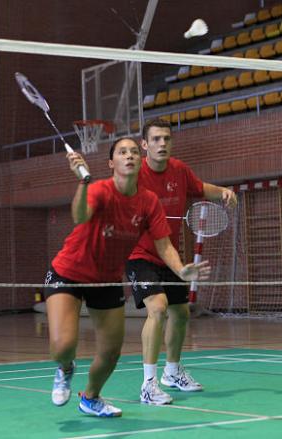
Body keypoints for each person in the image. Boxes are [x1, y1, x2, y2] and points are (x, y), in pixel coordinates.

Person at [44, 137, 210, 417]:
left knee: (111, 353)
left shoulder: (148, 202)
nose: (130, 155)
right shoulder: (100, 190)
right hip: (69, 272)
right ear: (112, 163)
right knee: (63, 347)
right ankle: (65, 367)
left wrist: (180, 269)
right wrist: (82, 182)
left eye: (134, 151)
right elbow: (80, 216)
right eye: (122, 152)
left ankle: (91, 397)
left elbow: (163, 243)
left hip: (107, 279)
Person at [126, 119, 237, 405]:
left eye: (166, 139)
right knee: (159, 309)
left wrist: (223, 191)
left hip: (170, 256)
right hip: (139, 255)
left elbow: (200, 188)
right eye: (156, 139)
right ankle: (148, 384)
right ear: (144, 145)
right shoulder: (135, 174)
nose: (162, 143)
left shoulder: (179, 170)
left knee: (181, 312)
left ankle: (172, 372)